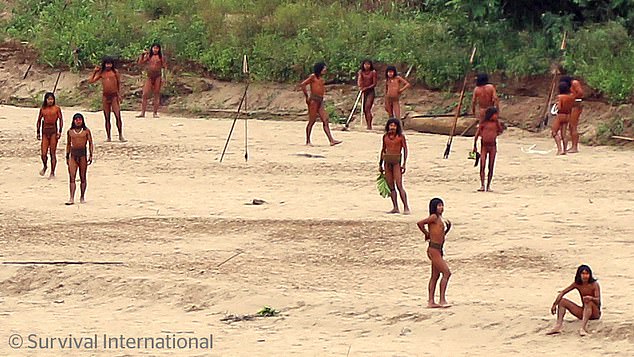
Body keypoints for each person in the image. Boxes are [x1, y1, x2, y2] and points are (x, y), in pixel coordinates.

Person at [417, 198, 452, 308]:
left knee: (435, 276)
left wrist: (447, 230)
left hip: (438, 249)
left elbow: (439, 234)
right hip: (434, 249)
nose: (441, 208)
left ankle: (431, 301)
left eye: (442, 205)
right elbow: (420, 223)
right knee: (446, 273)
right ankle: (442, 299)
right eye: (439, 206)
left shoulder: (439, 219)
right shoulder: (433, 217)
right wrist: (426, 233)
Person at [547, 265, 601, 336]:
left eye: (587, 274)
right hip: (584, 311)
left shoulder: (594, 284)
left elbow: (598, 300)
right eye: (583, 274)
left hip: (594, 312)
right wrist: (554, 304)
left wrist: (591, 298)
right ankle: (558, 325)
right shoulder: (577, 284)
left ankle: (583, 328)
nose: (585, 276)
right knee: (562, 301)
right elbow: (563, 292)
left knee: (588, 301)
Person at [299, 62, 342, 146]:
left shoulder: (321, 79)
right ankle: (308, 140)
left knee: (325, 119)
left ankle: (331, 140)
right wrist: (306, 96)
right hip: (313, 101)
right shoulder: (313, 77)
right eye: (324, 69)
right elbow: (303, 84)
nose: (325, 70)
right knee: (312, 121)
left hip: (320, 101)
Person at [89, 56, 125, 142]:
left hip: (114, 96)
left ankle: (120, 135)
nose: (108, 65)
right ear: (104, 64)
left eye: (110, 64)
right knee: (107, 117)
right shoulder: (102, 73)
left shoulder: (115, 72)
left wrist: (119, 95)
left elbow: (118, 84)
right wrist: (94, 72)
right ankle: (108, 137)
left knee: (117, 115)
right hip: (105, 96)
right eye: (107, 64)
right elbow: (91, 81)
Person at [379, 118, 410, 214]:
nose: (392, 127)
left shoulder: (400, 137)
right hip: (387, 162)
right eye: (391, 125)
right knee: (391, 186)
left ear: (397, 127)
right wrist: (380, 164)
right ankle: (395, 207)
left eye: (394, 126)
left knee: (399, 185)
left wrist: (404, 163)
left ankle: (406, 207)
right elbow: (383, 150)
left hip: (397, 163)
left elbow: (405, 150)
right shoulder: (385, 137)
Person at [65, 113, 94, 205]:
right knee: (72, 176)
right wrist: (67, 155)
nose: (78, 121)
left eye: (80, 120)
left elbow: (90, 143)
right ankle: (72, 197)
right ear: (74, 121)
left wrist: (91, 155)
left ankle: (82, 196)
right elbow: (68, 144)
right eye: (76, 120)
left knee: (83, 177)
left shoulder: (86, 131)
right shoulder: (70, 131)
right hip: (73, 155)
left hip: (83, 154)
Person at [473, 107, 504, 192]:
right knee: (482, 165)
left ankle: (488, 185)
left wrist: (493, 134)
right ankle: (482, 185)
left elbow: (500, 131)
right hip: (484, 146)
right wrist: (474, 146)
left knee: (491, 166)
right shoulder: (483, 123)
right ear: (491, 115)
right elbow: (477, 134)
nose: (496, 116)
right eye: (495, 115)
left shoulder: (496, 123)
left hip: (493, 146)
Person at [36, 92, 63, 178]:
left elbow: (61, 120)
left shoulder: (57, 108)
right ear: (46, 100)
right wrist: (38, 132)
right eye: (49, 99)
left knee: (52, 153)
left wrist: (59, 131)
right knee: (43, 153)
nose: (50, 101)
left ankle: (52, 172)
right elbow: (39, 121)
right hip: (45, 131)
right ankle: (45, 166)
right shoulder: (43, 109)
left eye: (52, 99)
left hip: (53, 131)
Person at [137, 43, 167, 118]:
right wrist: (142, 55)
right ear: (152, 48)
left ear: (159, 49)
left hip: (158, 76)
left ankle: (155, 113)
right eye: (154, 48)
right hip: (149, 76)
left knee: (156, 94)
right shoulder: (149, 56)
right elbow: (140, 63)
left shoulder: (161, 57)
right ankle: (142, 112)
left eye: (157, 48)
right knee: (145, 94)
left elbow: (164, 67)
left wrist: (164, 77)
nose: (155, 50)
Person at [560, 75, 584, 153]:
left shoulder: (575, 82)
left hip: (576, 105)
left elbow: (580, 93)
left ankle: (575, 147)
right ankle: (573, 146)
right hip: (572, 105)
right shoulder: (570, 85)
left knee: (573, 126)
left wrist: (572, 98)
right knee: (571, 126)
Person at [552, 81, 575, 155]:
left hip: (560, 115)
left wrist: (556, 105)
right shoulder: (571, 97)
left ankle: (559, 150)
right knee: (564, 134)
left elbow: (559, 107)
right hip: (568, 115)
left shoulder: (560, 97)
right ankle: (565, 150)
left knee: (554, 132)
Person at [357, 59, 377, 130]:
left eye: (368, 64)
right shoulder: (361, 72)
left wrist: (366, 88)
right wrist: (361, 86)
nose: (367, 66)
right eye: (365, 64)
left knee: (367, 108)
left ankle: (369, 125)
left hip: (370, 92)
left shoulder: (373, 72)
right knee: (364, 109)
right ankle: (368, 124)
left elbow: (374, 84)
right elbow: (359, 81)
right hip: (363, 91)